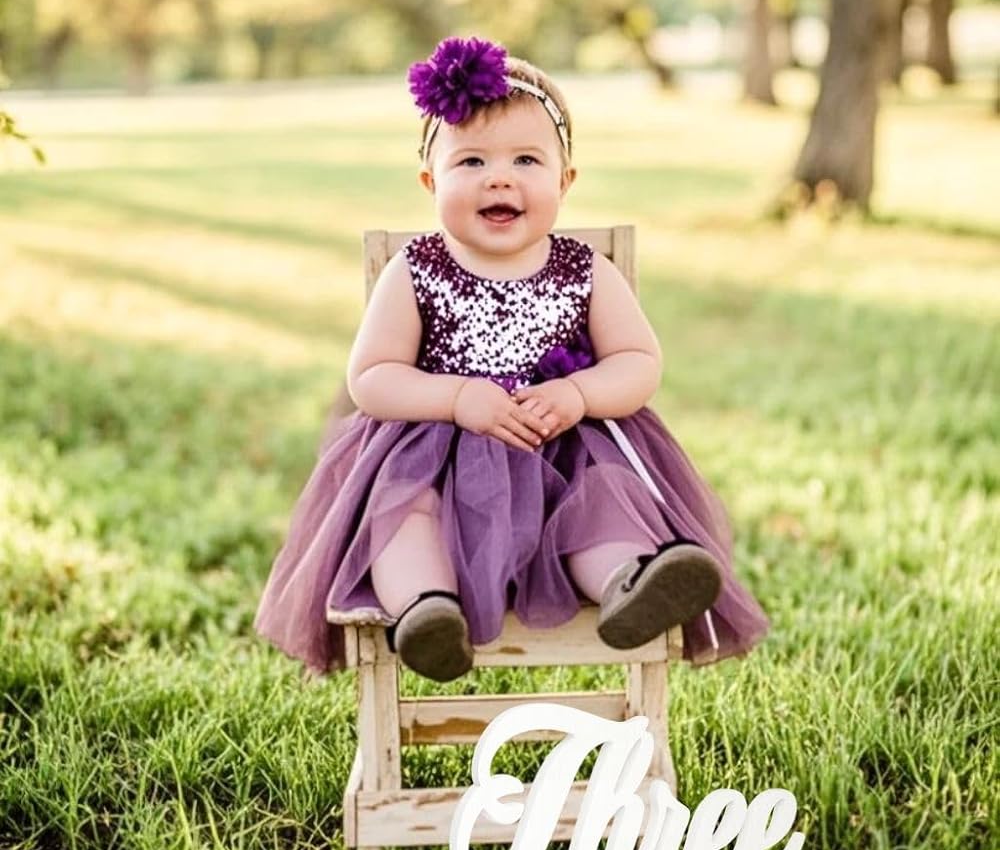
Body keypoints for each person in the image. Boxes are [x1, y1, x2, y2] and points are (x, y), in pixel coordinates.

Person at [254, 35, 770, 682]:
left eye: (526, 159)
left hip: (565, 449)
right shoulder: (414, 270)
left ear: (565, 181)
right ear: (429, 181)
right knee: (404, 509)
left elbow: (639, 361)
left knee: (606, 498)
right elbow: (371, 378)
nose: (499, 176)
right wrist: (456, 397)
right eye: (470, 162)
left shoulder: (587, 271)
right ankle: (425, 609)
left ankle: (628, 585)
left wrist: (579, 394)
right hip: (436, 457)